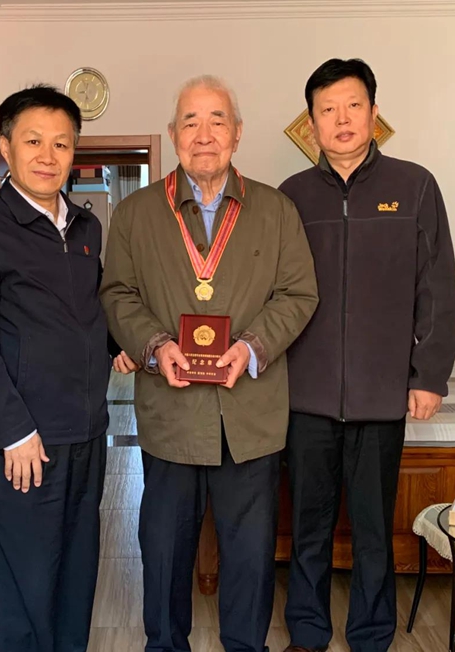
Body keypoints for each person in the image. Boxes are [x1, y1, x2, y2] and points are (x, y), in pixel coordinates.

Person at [100, 75, 319, 652]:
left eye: (217, 120)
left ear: (237, 133)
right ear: (174, 134)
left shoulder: (277, 210)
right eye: (190, 122)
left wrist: (251, 347)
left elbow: (299, 294)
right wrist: (155, 344)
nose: (204, 134)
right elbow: (118, 293)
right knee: (164, 549)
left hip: (251, 417)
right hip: (170, 415)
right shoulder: (136, 214)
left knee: (250, 555)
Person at [0, 84, 132, 652]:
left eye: (61, 144)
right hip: (27, 442)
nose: (48, 156)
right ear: (5, 148)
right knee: (28, 583)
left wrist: (117, 342)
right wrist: (15, 431)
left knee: (77, 571)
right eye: (33, 141)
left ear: (75, 152)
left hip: (88, 431)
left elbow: (86, 308)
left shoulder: (87, 229)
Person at [279, 58, 455, 652]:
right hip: (306, 396)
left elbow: (436, 288)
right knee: (309, 526)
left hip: (382, 397)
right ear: (312, 123)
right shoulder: (292, 195)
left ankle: (372, 635)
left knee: (374, 529)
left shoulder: (415, 186)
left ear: (374, 112)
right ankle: (307, 632)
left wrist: (429, 375)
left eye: (353, 105)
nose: (342, 119)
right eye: (327, 110)